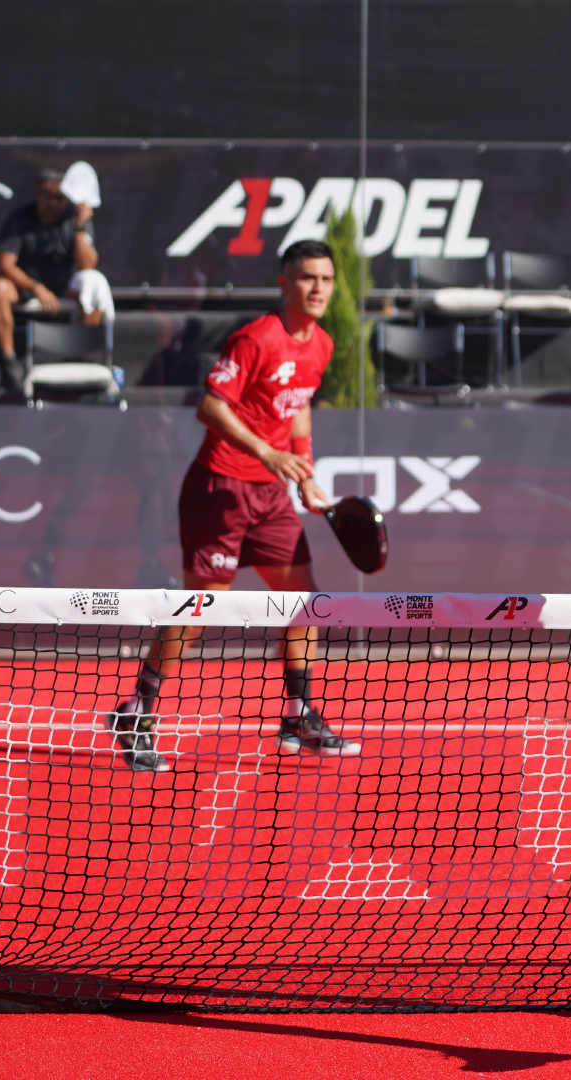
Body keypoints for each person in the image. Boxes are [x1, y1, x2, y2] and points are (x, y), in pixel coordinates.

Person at [102, 240, 357, 771]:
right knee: (200, 611)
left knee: (304, 602)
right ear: (284, 284)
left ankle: (298, 713)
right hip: (219, 488)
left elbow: (299, 409)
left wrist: (304, 470)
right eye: (307, 278)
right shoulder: (257, 338)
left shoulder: (322, 346)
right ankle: (137, 711)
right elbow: (210, 407)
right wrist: (267, 452)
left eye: (326, 280)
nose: (318, 289)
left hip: (270, 495)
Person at [0, 168, 116, 397]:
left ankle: (82, 357)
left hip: (64, 287)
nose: (53, 203)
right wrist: (36, 288)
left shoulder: (74, 218)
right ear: (36, 195)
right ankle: (8, 363)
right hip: (27, 288)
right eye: (48, 196)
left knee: (95, 283)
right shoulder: (20, 219)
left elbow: (88, 265)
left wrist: (80, 227)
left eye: (59, 198)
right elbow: (4, 265)